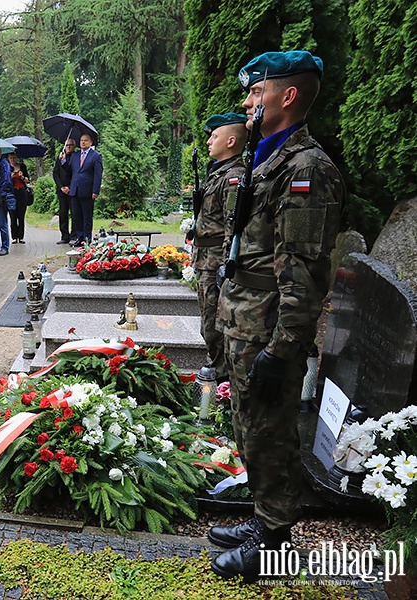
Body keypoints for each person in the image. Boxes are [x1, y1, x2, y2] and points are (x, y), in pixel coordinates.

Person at [209, 51, 344, 581]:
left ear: (286, 97)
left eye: (256, 93)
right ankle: (266, 518)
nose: (247, 103)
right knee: (251, 428)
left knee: (269, 430)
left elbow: (304, 273)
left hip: (269, 328)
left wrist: (283, 348)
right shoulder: (266, 159)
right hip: (245, 317)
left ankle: (274, 541)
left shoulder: (306, 169)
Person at [194, 112, 248, 382]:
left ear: (231, 141)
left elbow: (232, 226)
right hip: (204, 258)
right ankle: (216, 371)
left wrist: (227, 264)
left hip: (215, 261)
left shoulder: (234, 177)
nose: (209, 142)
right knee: (208, 322)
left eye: (214, 136)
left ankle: (221, 379)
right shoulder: (218, 173)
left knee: (214, 324)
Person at [68, 133, 102, 246]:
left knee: (87, 216)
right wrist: (63, 160)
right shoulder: (75, 155)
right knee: (76, 216)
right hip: (75, 190)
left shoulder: (96, 156)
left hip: (87, 191)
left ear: (91, 142)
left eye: (86, 140)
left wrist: (95, 191)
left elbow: (98, 175)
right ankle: (79, 236)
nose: (83, 142)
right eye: (81, 140)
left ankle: (87, 239)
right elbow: (69, 170)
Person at [52, 138, 75, 244]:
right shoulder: (60, 157)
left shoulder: (76, 157)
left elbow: (74, 173)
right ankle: (64, 235)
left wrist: (69, 187)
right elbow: (55, 173)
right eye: (67, 145)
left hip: (72, 189)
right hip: (62, 190)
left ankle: (74, 235)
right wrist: (61, 187)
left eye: (71, 145)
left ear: (74, 147)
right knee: (63, 213)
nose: (68, 147)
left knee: (74, 213)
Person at [7, 152, 29, 244]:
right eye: (11, 158)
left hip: (21, 192)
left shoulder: (22, 167)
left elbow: (27, 180)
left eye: (14, 157)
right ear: (8, 158)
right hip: (12, 193)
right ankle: (14, 237)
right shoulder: (7, 168)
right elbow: (5, 181)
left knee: (21, 215)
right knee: (13, 215)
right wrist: (10, 177)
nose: (12, 159)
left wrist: (22, 177)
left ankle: (21, 237)